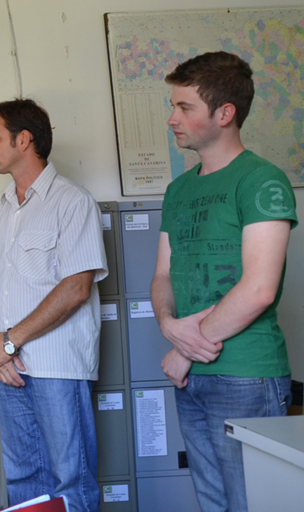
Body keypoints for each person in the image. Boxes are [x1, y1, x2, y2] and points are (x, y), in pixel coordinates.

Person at [150, 51, 296, 512]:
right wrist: (168, 324)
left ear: (224, 113)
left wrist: (183, 348)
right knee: (213, 503)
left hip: (246, 375)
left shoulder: (261, 180)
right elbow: (161, 275)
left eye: (184, 107)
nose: (172, 118)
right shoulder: (179, 189)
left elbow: (259, 290)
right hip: (194, 374)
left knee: (254, 505)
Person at [0, 99, 108, 512]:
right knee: (24, 480)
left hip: (57, 368)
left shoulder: (72, 201)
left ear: (24, 139)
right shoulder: (0, 211)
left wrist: (9, 343)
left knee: (71, 480)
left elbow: (76, 289)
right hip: (10, 368)